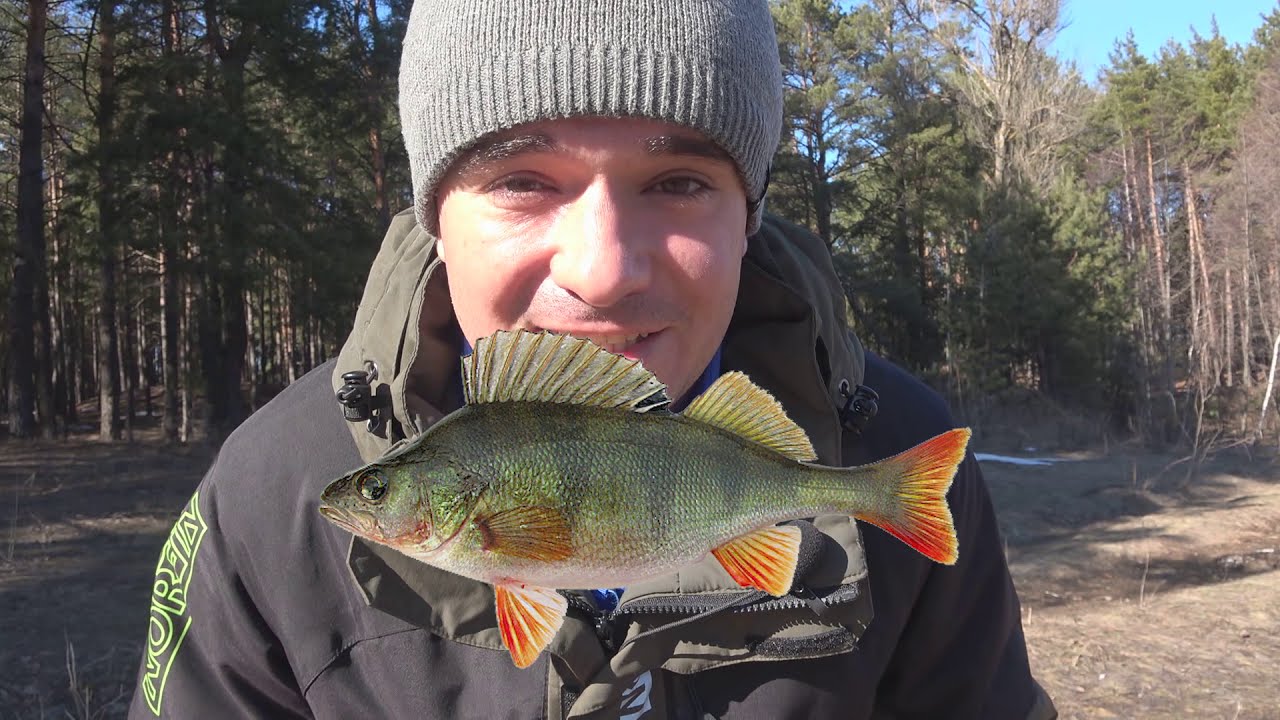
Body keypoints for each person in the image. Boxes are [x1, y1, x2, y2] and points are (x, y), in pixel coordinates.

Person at [128, 0, 1057, 717]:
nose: (604, 270)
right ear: (432, 217)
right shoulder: (263, 495)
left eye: (680, 182)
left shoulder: (903, 445)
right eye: (523, 181)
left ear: (751, 214)